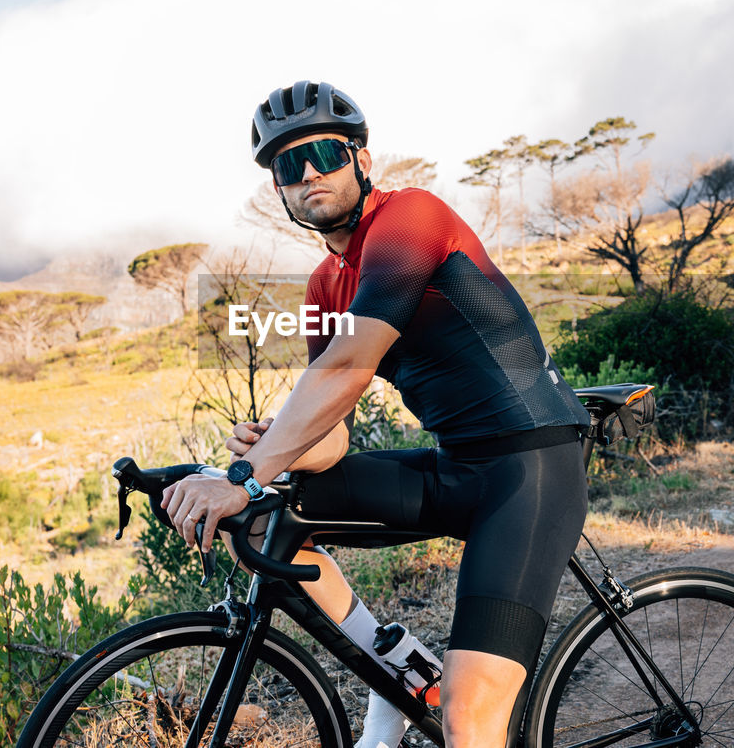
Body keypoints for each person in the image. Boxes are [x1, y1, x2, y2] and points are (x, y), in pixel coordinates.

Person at [163, 81, 590, 748]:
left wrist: (243, 472)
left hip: (530, 467)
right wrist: (280, 444)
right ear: (278, 190)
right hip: (459, 465)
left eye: (326, 152)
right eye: (287, 166)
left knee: (471, 723)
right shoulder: (324, 285)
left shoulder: (410, 218)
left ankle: (448, 698)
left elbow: (349, 366)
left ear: (361, 159)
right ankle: (404, 666)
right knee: (270, 518)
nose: (308, 174)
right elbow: (333, 434)